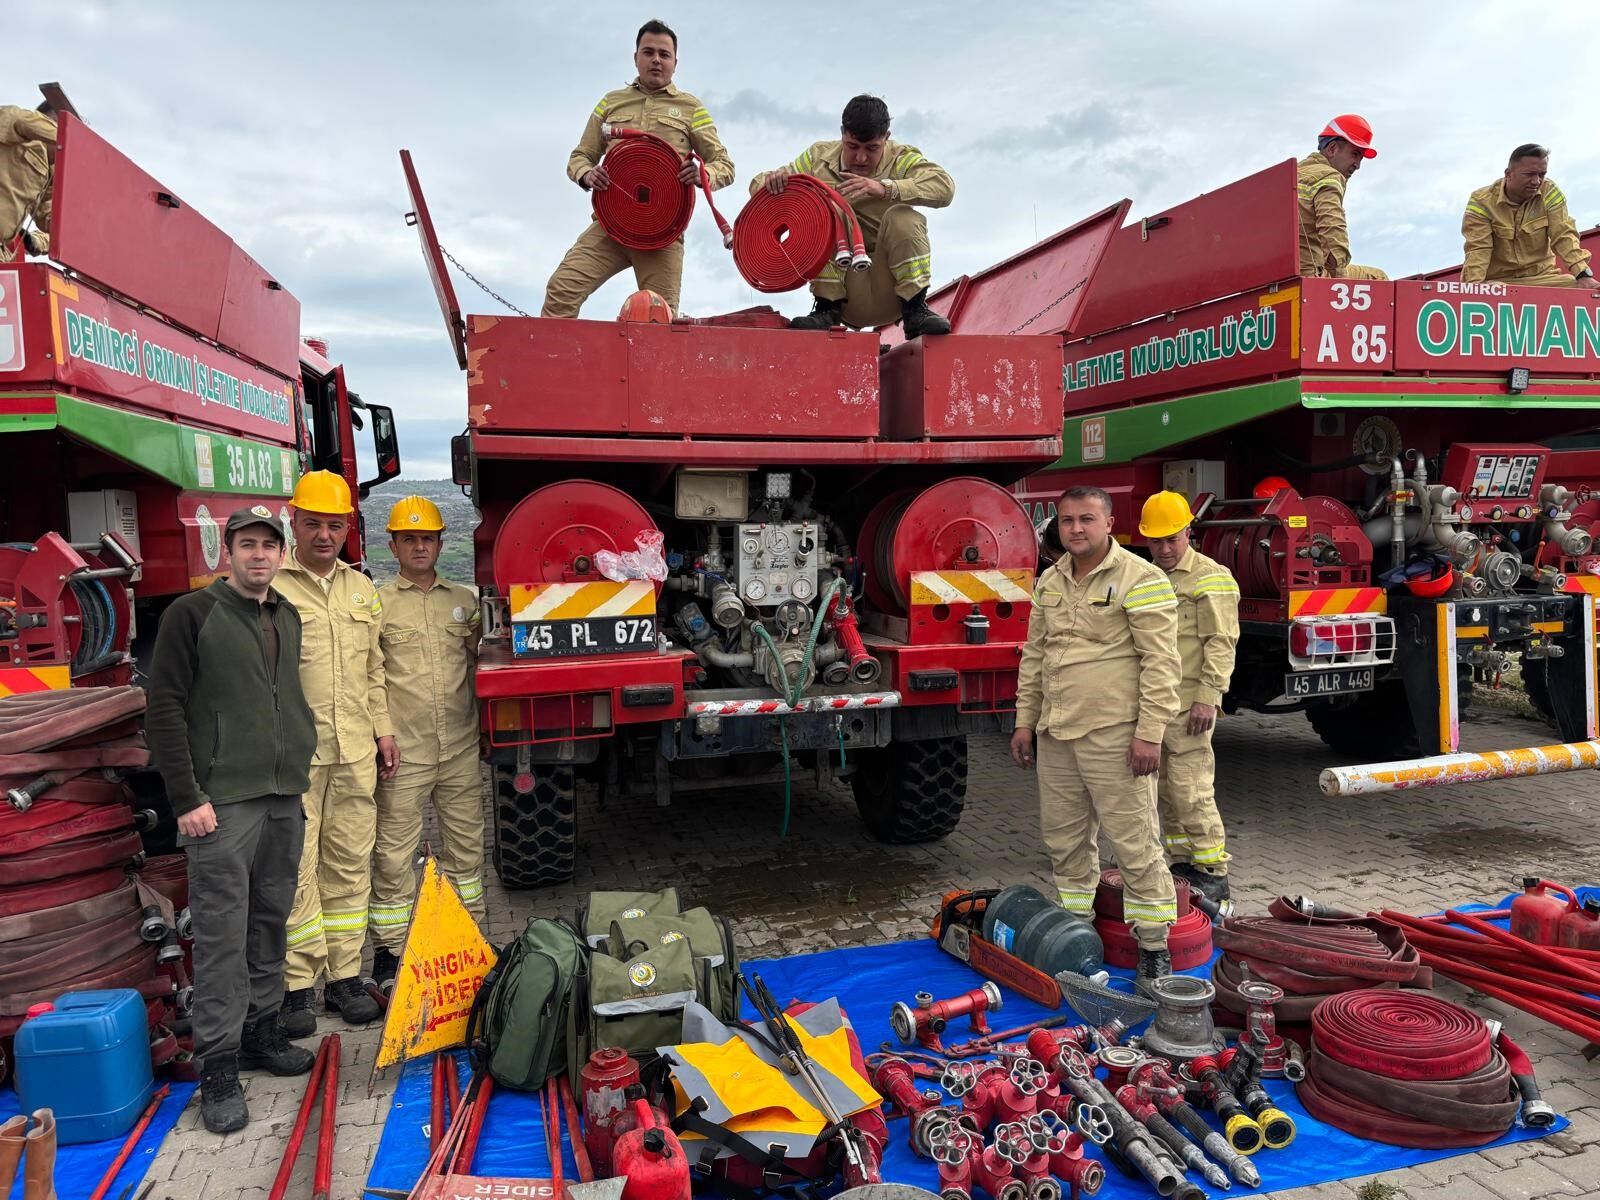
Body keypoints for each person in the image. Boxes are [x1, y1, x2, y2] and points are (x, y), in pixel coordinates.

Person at [147, 506, 319, 1133]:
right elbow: (164, 708)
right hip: (219, 803)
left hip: (282, 794)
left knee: (271, 917)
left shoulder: (286, 614)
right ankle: (217, 1066)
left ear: (282, 554)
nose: (259, 555)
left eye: (270, 545)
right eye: (248, 544)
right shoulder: (191, 615)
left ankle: (260, 1031)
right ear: (229, 551)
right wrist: (187, 797)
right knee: (222, 931)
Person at [1011, 487, 1183, 985]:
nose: (1076, 529)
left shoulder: (1141, 578)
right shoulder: (1050, 580)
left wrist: (1149, 734)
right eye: (1067, 520)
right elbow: (1035, 656)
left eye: (1087, 519)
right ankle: (1076, 930)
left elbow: (1161, 663)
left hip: (1115, 734)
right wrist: (1025, 721)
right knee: (1064, 840)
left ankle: (1154, 947)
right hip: (1057, 734)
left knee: (1134, 842)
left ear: (1109, 523)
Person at [274, 470, 395, 1033]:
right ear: (294, 522)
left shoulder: (361, 589)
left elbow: (374, 671)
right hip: (296, 755)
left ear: (348, 528)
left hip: (353, 751)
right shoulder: (272, 588)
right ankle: (297, 985)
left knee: (348, 862)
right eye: (313, 524)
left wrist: (383, 730)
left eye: (334, 526)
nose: (324, 536)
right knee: (297, 867)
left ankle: (344, 978)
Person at [541, 19, 734, 318]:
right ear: (636, 58)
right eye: (648, 52)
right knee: (561, 290)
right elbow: (580, 156)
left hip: (663, 235)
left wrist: (704, 175)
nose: (656, 60)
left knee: (659, 320)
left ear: (675, 63)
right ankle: (553, 350)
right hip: (610, 226)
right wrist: (587, 174)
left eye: (664, 54)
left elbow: (725, 164)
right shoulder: (610, 103)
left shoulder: (692, 108)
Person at [367, 496, 484, 987]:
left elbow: (481, 664)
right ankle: (391, 952)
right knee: (394, 854)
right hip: (405, 753)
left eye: (428, 539)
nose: (420, 546)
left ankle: (467, 939)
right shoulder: (377, 604)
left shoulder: (464, 601)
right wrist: (382, 731)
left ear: (440, 544)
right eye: (409, 539)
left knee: (467, 853)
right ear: (393, 546)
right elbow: (371, 675)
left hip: (459, 746)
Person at [752, 95, 954, 337]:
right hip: (847, 293)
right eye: (853, 146)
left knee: (903, 217)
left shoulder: (900, 158)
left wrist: (885, 189)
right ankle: (826, 308)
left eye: (872, 149)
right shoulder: (818, 157)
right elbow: (757, 186)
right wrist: (773, 180)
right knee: (825, 210)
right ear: (842, 135)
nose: (861, 158)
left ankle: (915, 310)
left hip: (890, 290)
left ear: (886, 138)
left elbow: (944, 186)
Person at [1139, 491, 1240, 906]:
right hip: (1157, 704)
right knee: (1165, 790)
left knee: (1191, 789)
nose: (1164, 548)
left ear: (1188, 533)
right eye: (1156, 540)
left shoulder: (1209, 577)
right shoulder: (1147, 576)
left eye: (1172, 539)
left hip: (1189, 706)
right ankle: (1183, 863)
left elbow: (1221, 641)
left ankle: (1213, 871)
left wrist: (1208, 697)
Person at [1462, 145, 1595, 288]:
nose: (1536, 181)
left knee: (1577, 287)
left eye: (1542, 175)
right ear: (1508, 174)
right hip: (1499, 282)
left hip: (1543, 279)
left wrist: (1583, 275)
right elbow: (1478, 249)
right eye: (1530, 174)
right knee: (1491, 291)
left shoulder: (1550, 192)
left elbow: (1563, 235)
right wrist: (1473, 288)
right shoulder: (1481, 201)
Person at [1298, 114, 1387, 281]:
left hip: (1277, 274)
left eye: (1360, 158)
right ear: (1332, 149)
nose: (1358, 165)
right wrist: (1340, 280)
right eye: (1355, 154)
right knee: (1378, 277)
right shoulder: (1328, 176)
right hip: (1310, 273)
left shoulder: (1291, 175)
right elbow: (1332, 229)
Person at [0, 101, 55, 263]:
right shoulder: (18, 126)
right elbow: (17, 119)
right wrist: (65, 136)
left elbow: (51, 219)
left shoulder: (50, 171)